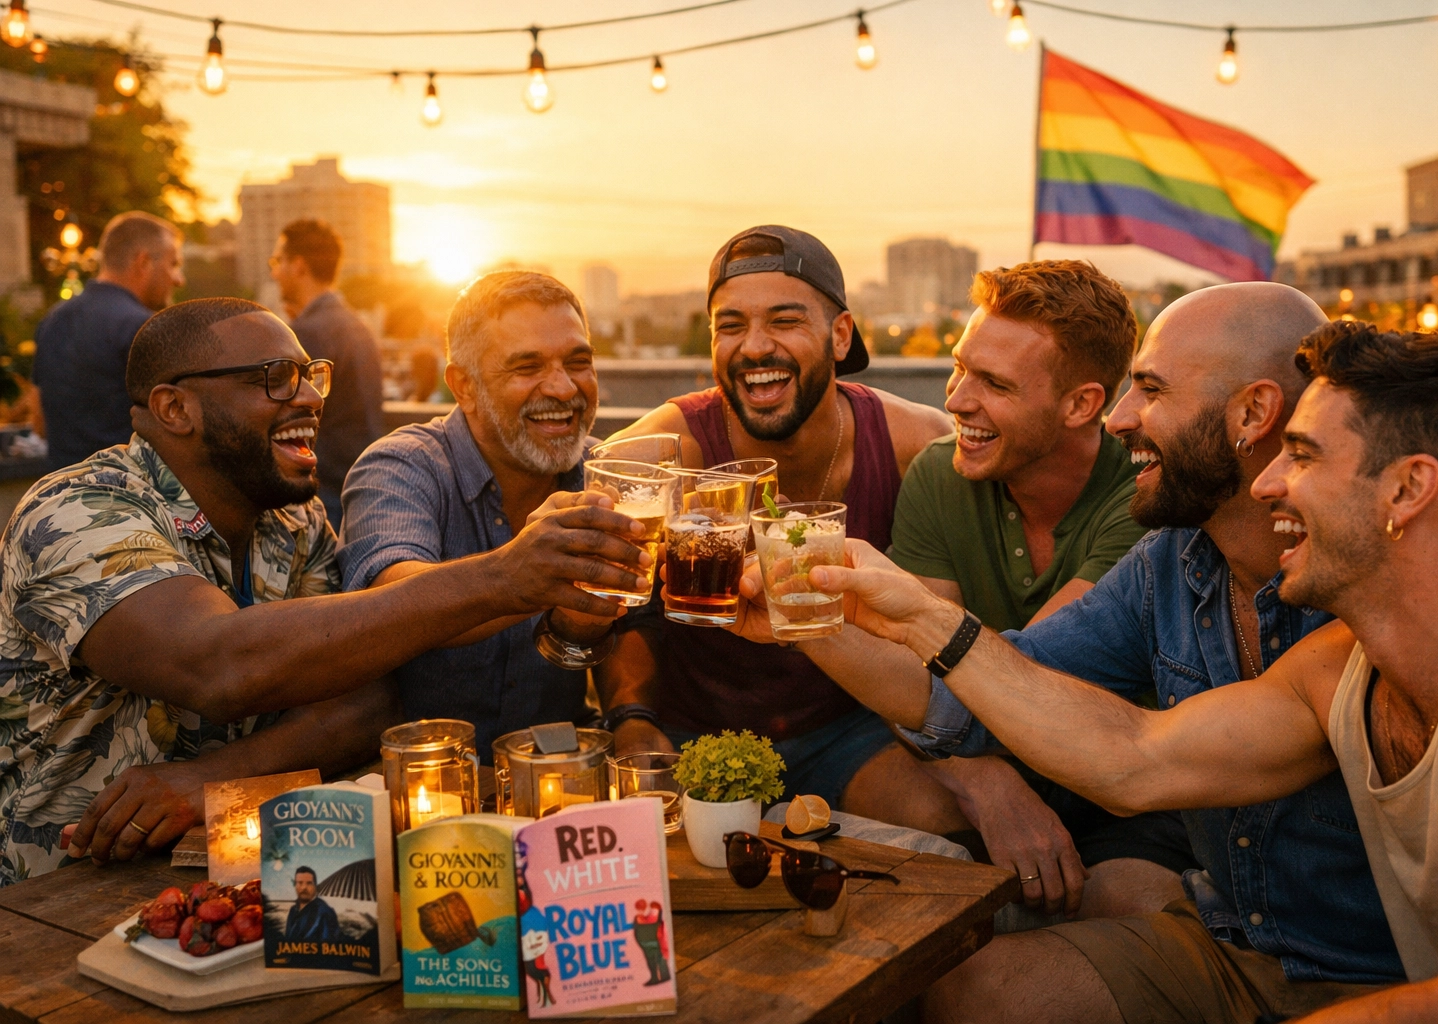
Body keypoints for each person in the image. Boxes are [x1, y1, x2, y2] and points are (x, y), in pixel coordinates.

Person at [798, 321, 1438, 1023]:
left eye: (1304, 456)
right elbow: (1134, 757)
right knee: (973, 990)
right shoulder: (1335, 663)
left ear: (1408, 490)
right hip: (1248, 952)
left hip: (1400, 986)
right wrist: (907, 618)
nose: (1271, 482)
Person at [0, 297, 649, 885]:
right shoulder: (77, 511)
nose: (309, 398)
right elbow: (216, 662)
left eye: (313, 375)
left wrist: (212, 780)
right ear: (176, 408)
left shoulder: (293, 519)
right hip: (57, 887)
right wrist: (508, 576)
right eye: (276, 378)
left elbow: (365, 704)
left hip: (242, 871)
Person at [861, 260, 1194, 920]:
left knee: (1119, 905)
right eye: (960, 367)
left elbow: (1023, 678)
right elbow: (919, 676)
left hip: (1121, 796)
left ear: (1082, 405)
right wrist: (981, 781)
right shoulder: (941, 473)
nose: (955, 400)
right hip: (986, 761)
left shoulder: (1142, 500)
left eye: (994, 383)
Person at [599, 225, 950, 810]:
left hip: (852, 732)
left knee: (940, 818)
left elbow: (945, 634)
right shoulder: (667, 446)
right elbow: (599, 581)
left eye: (784, 321)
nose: (755, 347)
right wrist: (629, 717)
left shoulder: (914, 443)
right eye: (730, 326)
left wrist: (978, 773)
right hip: (691, 739)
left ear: (840, 336)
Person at [339, 271, 619, 760]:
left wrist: (634, 718)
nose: (562, 387)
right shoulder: (402, 465)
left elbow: (633, 633)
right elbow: (386, 603)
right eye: (527, 367)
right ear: (464, 387)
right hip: (420, 784)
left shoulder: (608, 475)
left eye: (579, 362)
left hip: (559, 778)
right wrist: (523, 574)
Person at [32, 211, 184, 469]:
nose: (179, 279)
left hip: (61, 496)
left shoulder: (53, 320)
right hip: (130, 497)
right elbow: (179, 426)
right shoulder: (143, 327)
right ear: (144, 262)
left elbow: (40, 422)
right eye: (173, 264)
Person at [269, 218, 385, 525]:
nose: (274, 272)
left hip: (326, 489)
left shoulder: (307, 332)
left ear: (299, 266)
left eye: (278, 261)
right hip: (358, 481)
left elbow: (283, 413)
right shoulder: (354, 324)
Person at [283, 866, 341, 944]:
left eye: (309, 883)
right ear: (295, 885)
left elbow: (327, 948)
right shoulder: (293, 910)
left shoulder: (325, 912)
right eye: (300, 883)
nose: (304, 887)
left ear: (315, 887)